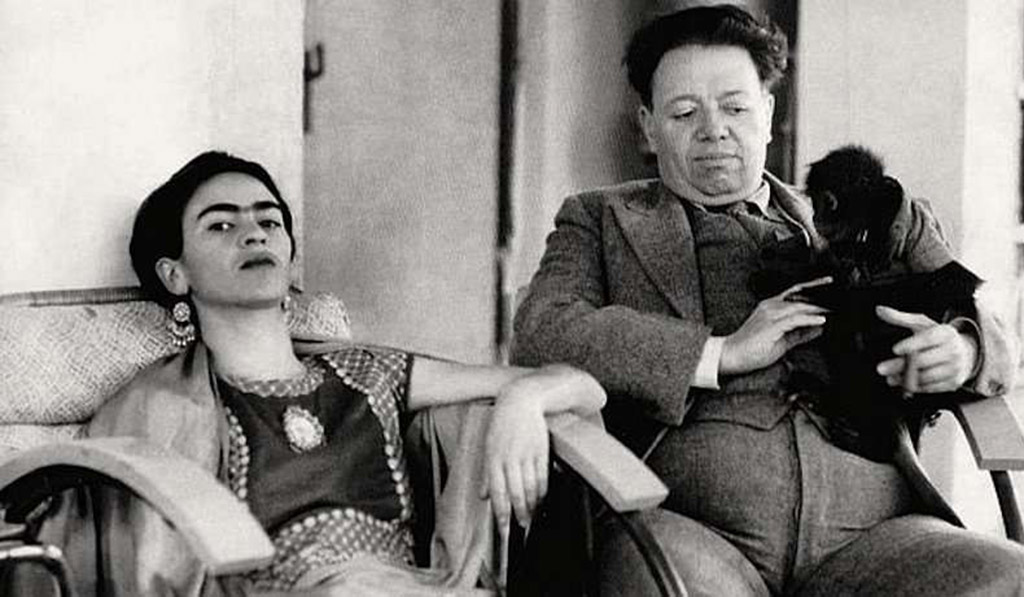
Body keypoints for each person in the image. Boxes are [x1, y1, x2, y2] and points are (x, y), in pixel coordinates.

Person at [512, 5, 1024, 596]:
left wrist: (964, 349)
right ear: (649, 128)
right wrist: (720, 352)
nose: (714, 130)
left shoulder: (868, 212)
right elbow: (543, 329)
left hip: (876, 537)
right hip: (692, 531)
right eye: (684, 112)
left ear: (769, 114)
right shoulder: (600, 220)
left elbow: (993, 335)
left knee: (1007, 576)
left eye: (734, 108)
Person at [37, 151, 606, 596]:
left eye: (269, 220)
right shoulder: (157, 408)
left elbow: (582, 386)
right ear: (174, 275)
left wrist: (523, 401)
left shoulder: (367, 373)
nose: (255, 234)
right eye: (221, 226)